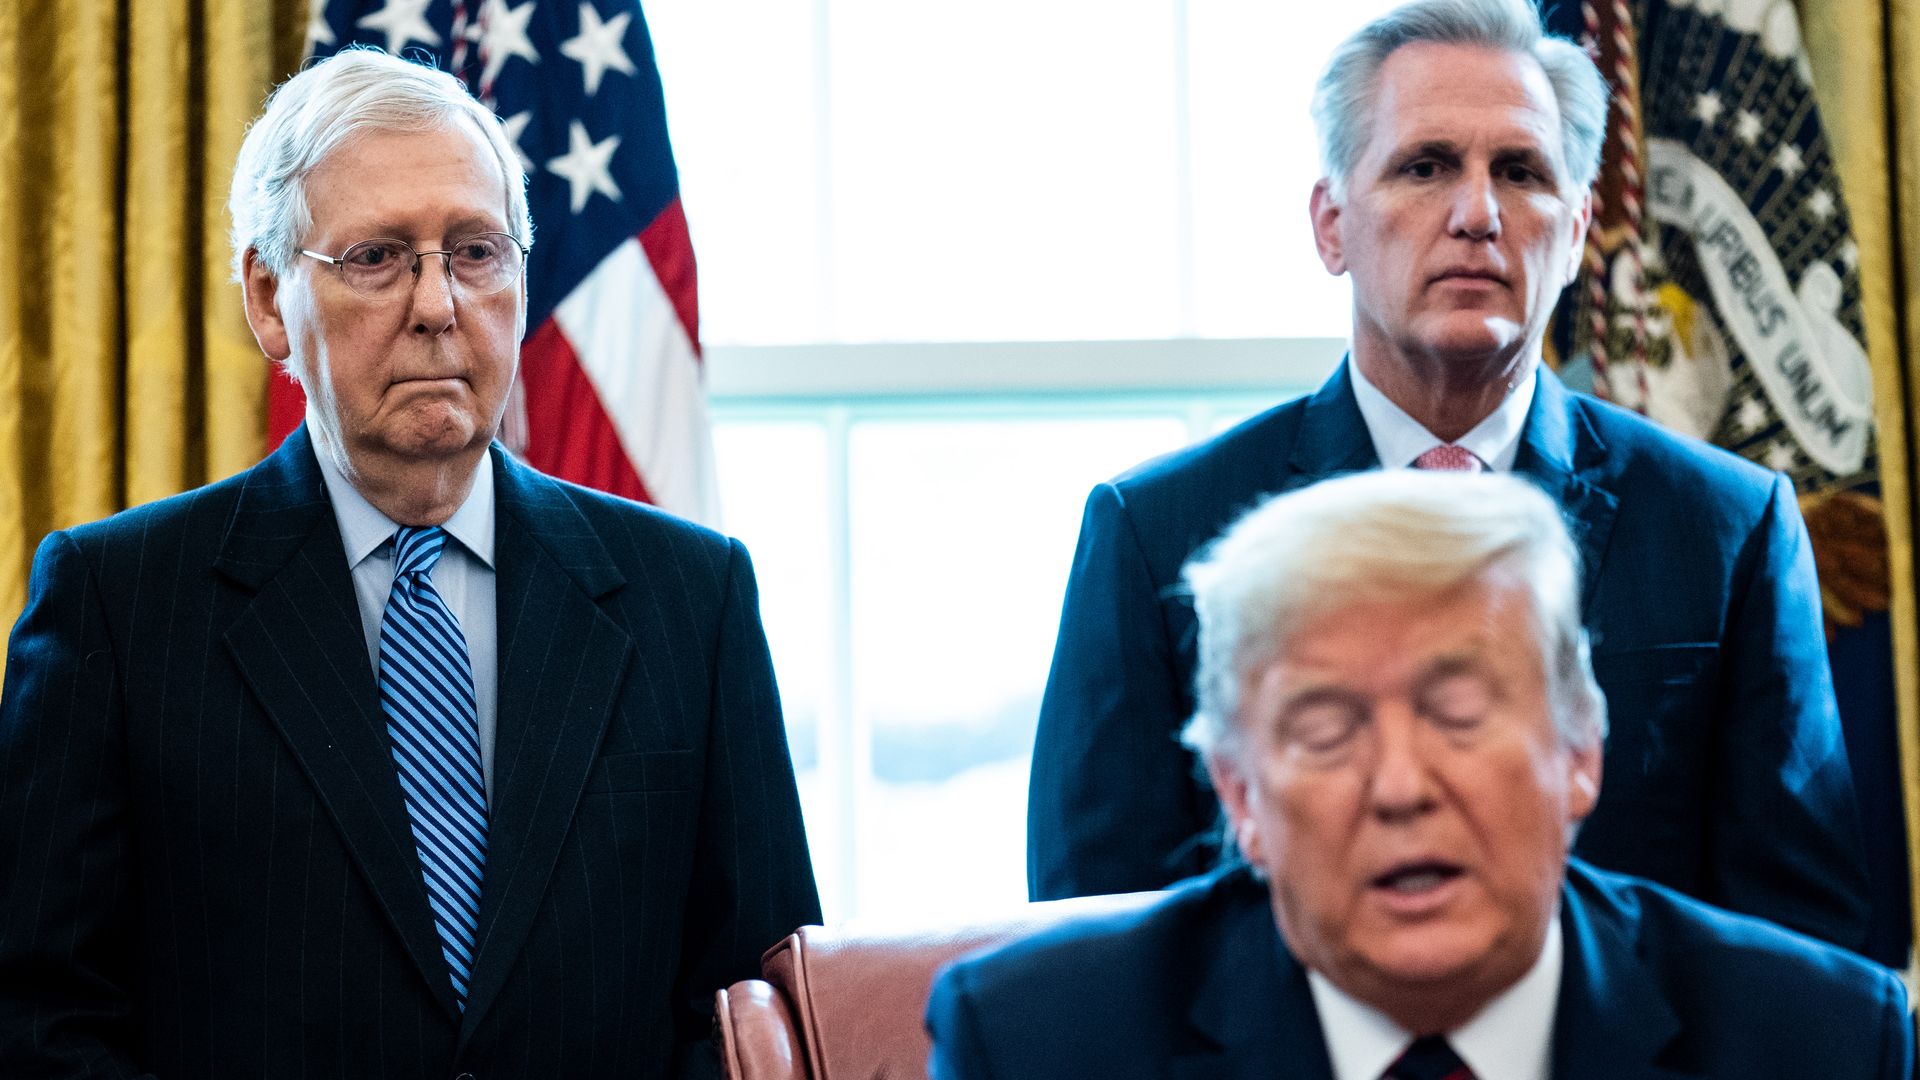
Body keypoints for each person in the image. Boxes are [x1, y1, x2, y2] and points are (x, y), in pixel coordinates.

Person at [0, 48, 819, 1080]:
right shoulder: (118, 606)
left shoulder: (690, 598)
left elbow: (760, 1011)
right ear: (267, 297)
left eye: (476, 252)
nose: (439, 304)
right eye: (381, 257)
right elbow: (38, 1023)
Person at [1025, 0, 1869, 953]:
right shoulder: (1154, 534)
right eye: (1425, 167)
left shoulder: (1727, 528)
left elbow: (1804, 960)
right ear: (1331, 225)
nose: (1477, 214)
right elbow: (1091, 954)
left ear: (1580, 225)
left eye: (1521, 172)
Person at [936, 471, 1910, 1079]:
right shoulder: (1038, 1046)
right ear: (1240, 798)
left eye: (1462, 715)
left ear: (1580, 752)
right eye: (1326, 730)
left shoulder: (1816, 1044)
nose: (1401, 785)